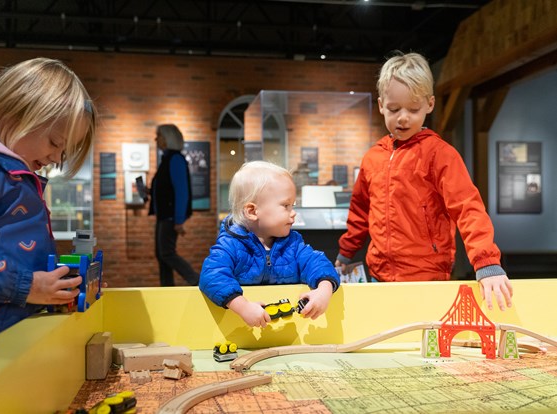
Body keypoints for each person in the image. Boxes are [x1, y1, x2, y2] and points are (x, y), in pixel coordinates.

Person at [336, 52, 513, 311]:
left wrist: (486, 262)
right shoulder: (373, 157)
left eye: (413, 109)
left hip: (427, 276)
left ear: (430, 104)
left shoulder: (440, 154)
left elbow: (468, 208)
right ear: (382, 104)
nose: (403, 117)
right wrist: (346, 252)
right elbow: (360, 211)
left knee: (423, 347)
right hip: (378, 275)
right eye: (395, 109)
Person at [0, 57, 97, 346]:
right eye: (55, 142)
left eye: (64, 151)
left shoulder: (12, 175)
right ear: (13, 114)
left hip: (5, 344)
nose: (56, 158)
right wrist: (28, 286)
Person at [199, 161, 340, 328]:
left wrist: (324, 290)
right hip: (240, 335)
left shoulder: (293, 244)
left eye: (292, 205)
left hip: (289, 338)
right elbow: (212, 275)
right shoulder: (230, 246)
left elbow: (317, 262)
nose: (293, 213)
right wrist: (242, 307)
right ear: (252, 211)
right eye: (286, 206)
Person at [148, 124, 199, 286]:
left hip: (170, 216)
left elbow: (181, 192)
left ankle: (197, 281)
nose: (156, 139)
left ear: (168, 138)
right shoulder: (167, 159)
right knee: (161, 254)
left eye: (159, 136)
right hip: (164, 215)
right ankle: (166, 288)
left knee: (167, 253)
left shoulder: (175, 159)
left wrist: (178, 220)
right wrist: (149, 192)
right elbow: (166, 190)